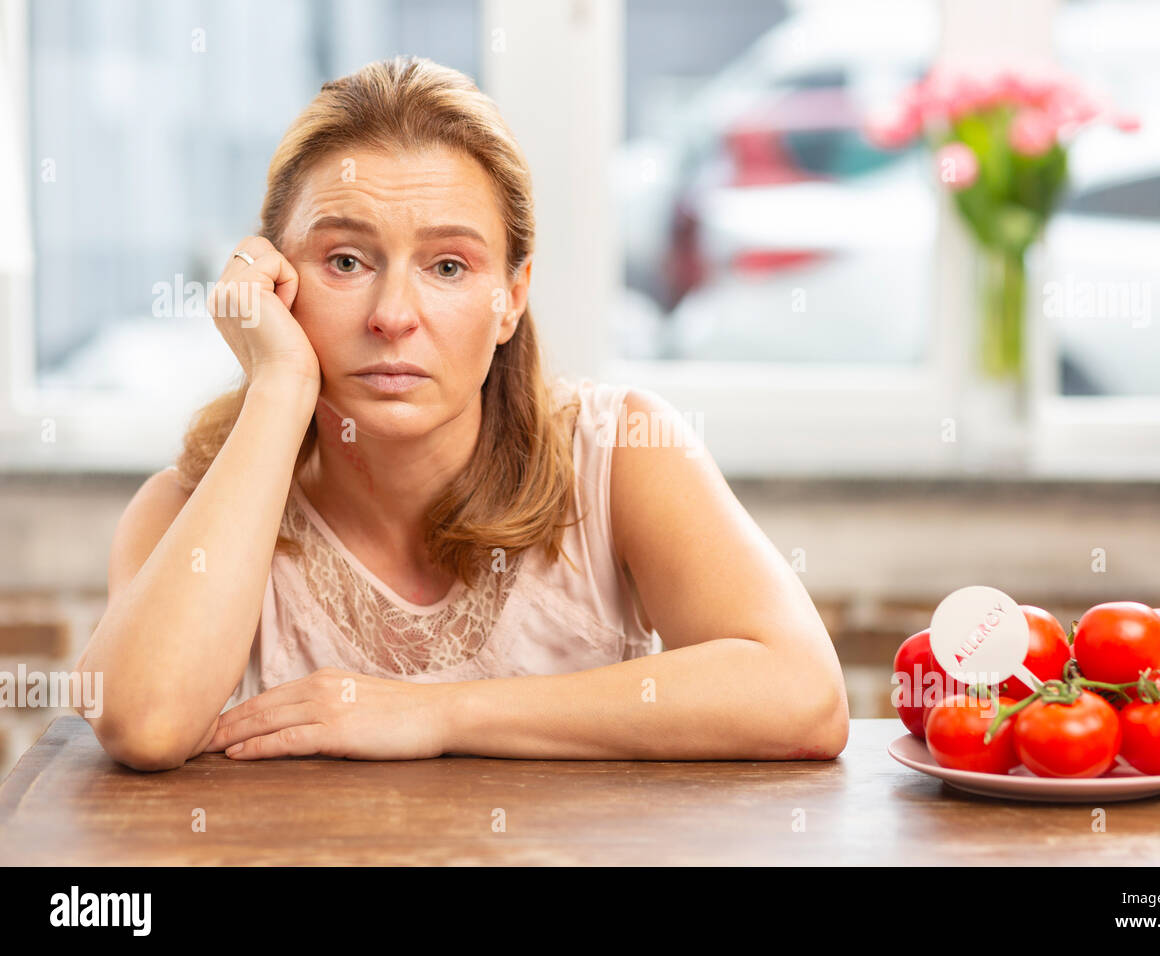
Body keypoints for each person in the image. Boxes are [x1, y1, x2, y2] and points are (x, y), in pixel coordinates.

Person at [74, 55, 848, 770]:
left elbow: (803, 695)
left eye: (448, 266)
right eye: (345, 261)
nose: (392, 316)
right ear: (276, 281)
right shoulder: (187, 510)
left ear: (510, 298)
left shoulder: (619, 453)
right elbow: (143, 723)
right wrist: (278, 386)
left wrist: (437, 715)